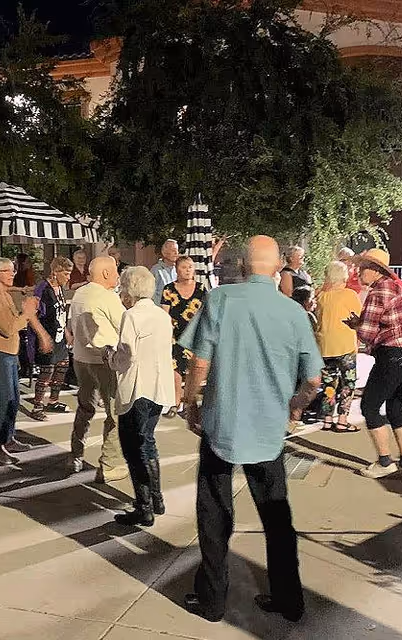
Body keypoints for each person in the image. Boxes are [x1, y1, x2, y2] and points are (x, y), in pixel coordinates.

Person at [179, 236, 321, 624]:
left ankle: (211, 600)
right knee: (277, 517)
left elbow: (200, 364)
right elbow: (313, 381)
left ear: (242, 264)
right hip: (269, 428)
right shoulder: (294, 313)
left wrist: (190, 403)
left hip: (222, 424)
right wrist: (294, 408)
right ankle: (289, 599)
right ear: (278, 268)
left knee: (213, 514)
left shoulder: (221, 300)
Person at [344, 249, 402, 479]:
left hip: (394, 353)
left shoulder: (378, 291)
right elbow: (393, 320)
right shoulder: (398, 286)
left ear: (373, 270)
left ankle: (384, 462)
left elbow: (368, 333)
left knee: (369, 406)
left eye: (362, 268)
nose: (358, 272)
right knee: (397, 406)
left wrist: (356, 326)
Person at [105, 266, 174, 526]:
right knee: (148, 442)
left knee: (133, 448)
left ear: (129, 288)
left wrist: (110, 357)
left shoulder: (132, 315)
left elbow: (127, 354)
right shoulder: (161, 315)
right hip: (159, 385)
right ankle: (156, 499)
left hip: (138, 386)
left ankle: (144, 507)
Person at [0, 257, 51, 465]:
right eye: (7, 271)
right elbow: (8, 328)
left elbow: (16, 322)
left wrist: (29, 314)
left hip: (9, 354)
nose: (12, 274)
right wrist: (27, 313)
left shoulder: (4, 295)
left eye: (12, 270)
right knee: (3, 400)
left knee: (14, 399)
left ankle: (8, 439)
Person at [69, 255, 129, 482]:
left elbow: (71, 326)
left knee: (85, 408)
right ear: (105, 273)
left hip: (81, 359)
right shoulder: (107, 297)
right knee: (115, 413)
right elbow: (126, 326)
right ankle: (110, 464)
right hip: (104, 361)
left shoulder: (80, 293)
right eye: (115, 271)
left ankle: (76, 453)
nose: (117, 275)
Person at [316, 261, 362, 432]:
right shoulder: (349, 295)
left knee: (329, 384)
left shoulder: (321, 296)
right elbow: (358, 319)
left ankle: (327, 419)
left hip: (325, 347)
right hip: (345, 345)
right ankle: (342, 419)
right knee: (348, 383)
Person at [160, 255, 207, 417]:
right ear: (177, 269)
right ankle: (175, 403)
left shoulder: (201, 289)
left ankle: (188, 402)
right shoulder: (168, 289)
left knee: (193, 371)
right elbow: (164, 314)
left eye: (190, 267)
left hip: (195, 335)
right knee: (176, 370)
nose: (187, 270)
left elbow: (205, 313)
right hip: (175, 336)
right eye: (184, 267)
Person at [30, 257, 74, 421]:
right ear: (55, 272)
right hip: (46, 336)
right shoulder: (43, 288)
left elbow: (61, 312)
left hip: (60, 336)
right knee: (46, 371)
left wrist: (67, 333)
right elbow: (32, 315)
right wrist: (42, 336)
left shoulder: (59, 288)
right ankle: (37, 406)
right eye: (66, 273)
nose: (68, 277)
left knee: (62, 366)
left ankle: (53, 401)